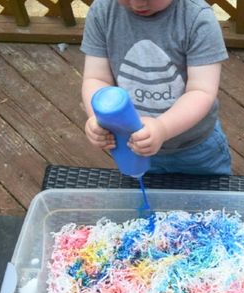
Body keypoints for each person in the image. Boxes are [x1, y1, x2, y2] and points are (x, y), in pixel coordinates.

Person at [81, 0, 232, 175]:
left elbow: (201, 91)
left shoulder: (198, 18)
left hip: (195, 147)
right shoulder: (102, 12)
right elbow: (96, 78)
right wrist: (97, 117)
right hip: (132, 145)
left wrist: (162, 128)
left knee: (209, 197)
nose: (138, 4)